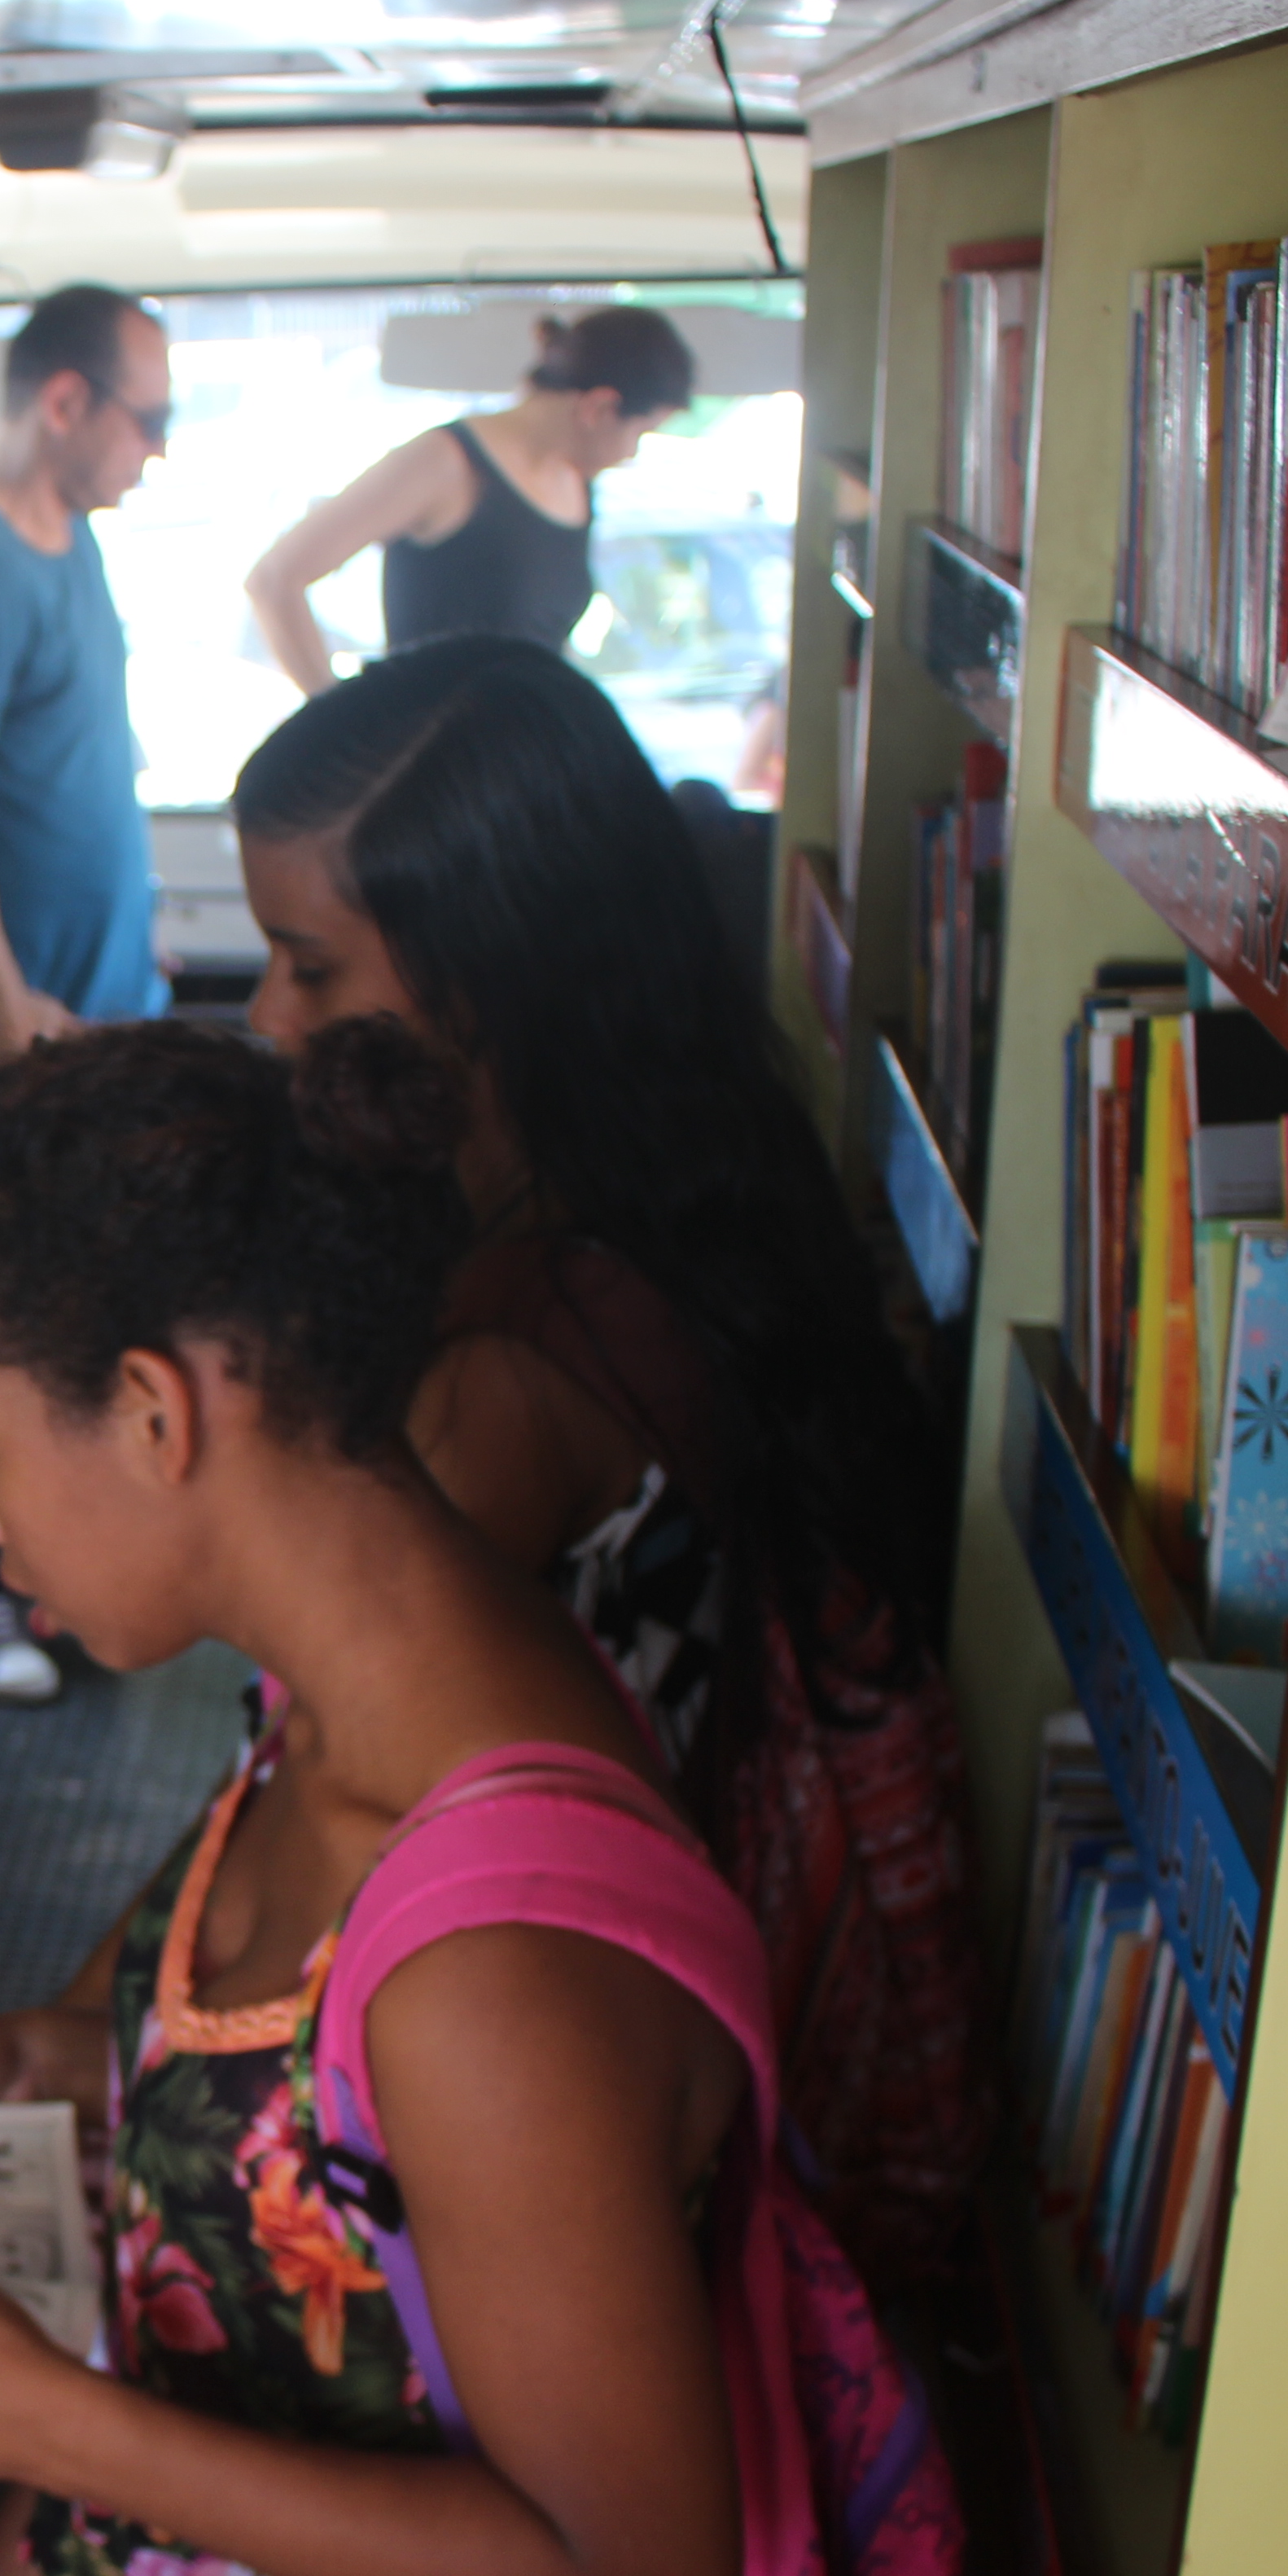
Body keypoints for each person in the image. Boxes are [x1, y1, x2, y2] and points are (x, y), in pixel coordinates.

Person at [0, 1019, 752, 2576]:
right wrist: (51, 2052)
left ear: (154, 1412)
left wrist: (43, 2424)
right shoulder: (352, 1691)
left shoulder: (487, 1970)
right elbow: (340, 2117)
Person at [227, 636, 986, 2284]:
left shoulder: (495, 1388)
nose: (268, 1016)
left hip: (522, 2099)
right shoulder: (696, 1188)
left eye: (309, 967)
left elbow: (316, 1796)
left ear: (481, 980)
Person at [0, 279, 174, 1707]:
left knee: (82, 1319)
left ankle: (69, 1578)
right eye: (148, 417)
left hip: (93, 1009)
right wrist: (0, 1003)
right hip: (2, 1033)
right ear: (65, 401)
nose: (156, 451)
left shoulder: (67, 538)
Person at [241, 305, 697, 682]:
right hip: (443, 770)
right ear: (599, 407)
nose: (632, 454)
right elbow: (275, 580)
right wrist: (343, 723)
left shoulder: (575, 484)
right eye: (642, 431)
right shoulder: (443, 464)